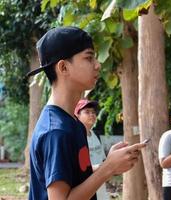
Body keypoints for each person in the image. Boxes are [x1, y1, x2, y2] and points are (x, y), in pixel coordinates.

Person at [28, 26, 146, 200]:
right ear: (63, 67)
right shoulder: (56, 132)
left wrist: (110, 163)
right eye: (89, 58)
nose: (98, 65)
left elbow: (73, 176)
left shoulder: (72, 122)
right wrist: (108, 169)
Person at [75, 99, 108, 200]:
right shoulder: (75, 138)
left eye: (93, 112)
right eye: (87, 112)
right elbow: (77, 169)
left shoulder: (96, 135)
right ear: (77, 115)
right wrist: (104, 167)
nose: (92, 115)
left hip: (101, 189)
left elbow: (103, 159)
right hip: (85, 190)